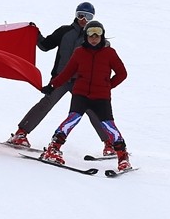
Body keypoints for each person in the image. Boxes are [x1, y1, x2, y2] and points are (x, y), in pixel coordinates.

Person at [4, 2, 116, 157]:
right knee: (46, 104)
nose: (83, 19)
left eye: (87, 17)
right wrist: (34, 33)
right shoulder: (65, 32)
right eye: (80, 15)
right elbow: (45, 45)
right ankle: (20, 134)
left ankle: (109, 144)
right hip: (61, 78)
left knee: (92, 110)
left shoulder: (92, 37)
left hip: (82, 82)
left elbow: (102, 53)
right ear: (75, 15)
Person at [37, 18, 131, 172]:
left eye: (97, 35)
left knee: (109, 125)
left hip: (101, 97)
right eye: (90, 35)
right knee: (72, 119)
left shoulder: (109, 53)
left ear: (102, 36)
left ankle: (122, 157)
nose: (94, 38)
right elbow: (67, 73)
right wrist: (52, 85)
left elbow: (122, 73)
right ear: (86, 36)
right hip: (80, 94)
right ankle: (53, 149)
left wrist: (108, 86)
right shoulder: (79, 52)